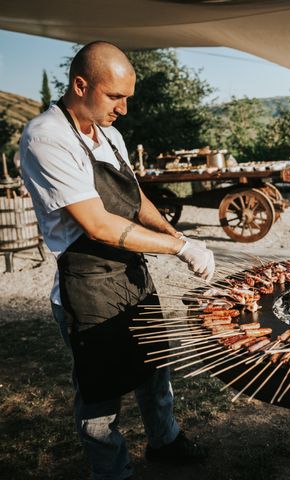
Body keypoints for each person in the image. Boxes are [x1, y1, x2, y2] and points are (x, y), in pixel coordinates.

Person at [20, 41, 215, 480]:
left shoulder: (109, 132)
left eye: (128, 97)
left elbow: (133, 195)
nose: (124, 109)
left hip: (130, 273)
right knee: (99, 394)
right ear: (80, 84)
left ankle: (165, 442)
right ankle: (112, 472)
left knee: (154, 368)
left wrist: (174, 232)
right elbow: (98, 224)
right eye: (115, 97)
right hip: (86, 284)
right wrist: (182, 250)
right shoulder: (45, 137)